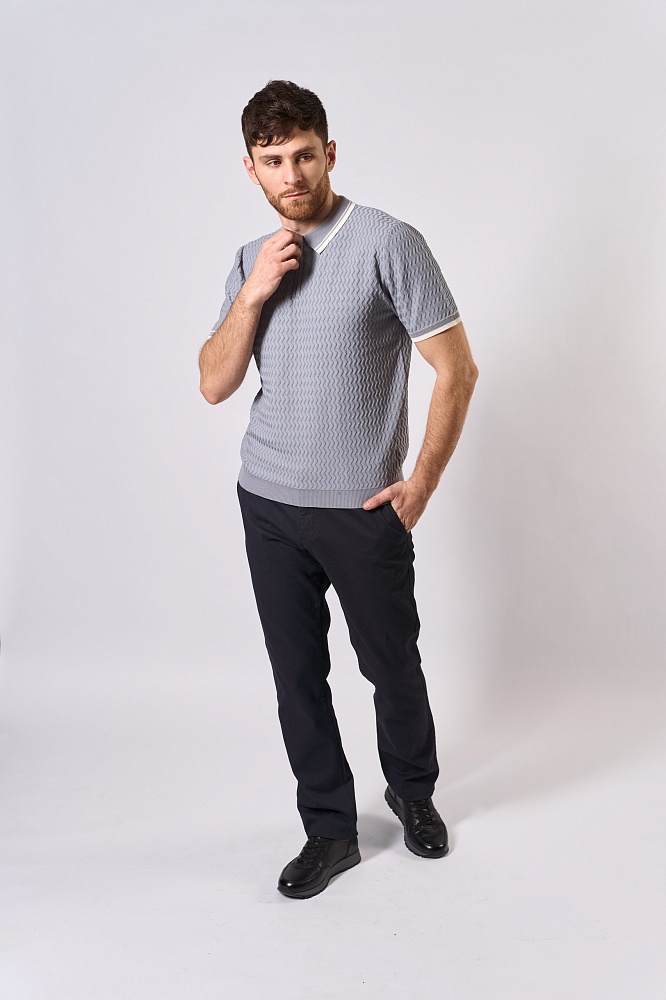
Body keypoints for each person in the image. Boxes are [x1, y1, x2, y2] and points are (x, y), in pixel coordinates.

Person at [199, 80, 478, 899]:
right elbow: (213, 383)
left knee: (391, 665)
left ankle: (413, 791)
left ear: (329, 152)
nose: (291, 175)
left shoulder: (390, 242)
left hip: (362, 509)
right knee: (297, 678)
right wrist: (254, 291)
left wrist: (420, 483)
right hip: (268, 504)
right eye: (272, 161)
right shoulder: (249, 260)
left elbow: (457, 369)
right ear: (250, 168)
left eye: (303, 156)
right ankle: (328, 829)